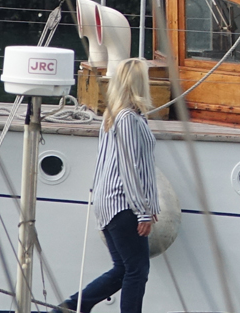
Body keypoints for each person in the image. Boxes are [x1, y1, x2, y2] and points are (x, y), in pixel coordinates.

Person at [64, 57, 158, 313]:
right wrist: (143, 211)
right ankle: (73, 306)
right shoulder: (127, 119)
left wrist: (151, 203)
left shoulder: (114, 116)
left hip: (110, 203)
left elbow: (121, 163)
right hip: (122, 204)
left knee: (123, 269)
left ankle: (72, 307)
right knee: (137, 270)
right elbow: (131, 168)